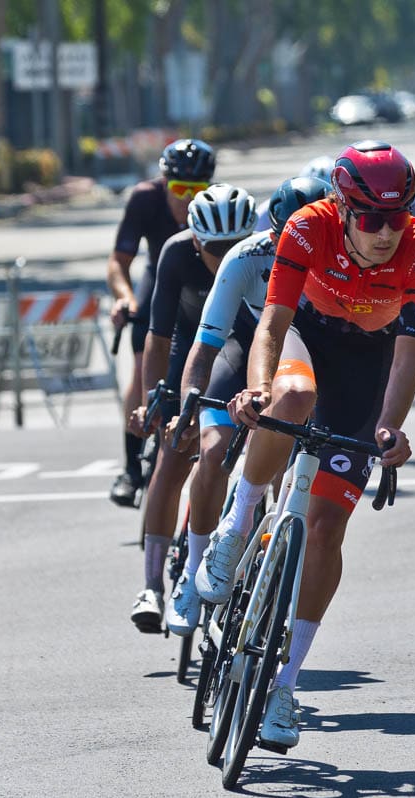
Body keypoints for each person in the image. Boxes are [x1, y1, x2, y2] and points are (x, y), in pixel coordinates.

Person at [196, 141, 415, 749]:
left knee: (328, 528)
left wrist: (390, 427)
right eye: (371, 219)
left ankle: (285, 686)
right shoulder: (308, 229)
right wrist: (256, 391)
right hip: (308, 339)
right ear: (342, 204)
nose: (386, 233)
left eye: (397, 217)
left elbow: (408, 355)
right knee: (293, 401)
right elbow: (273, 324)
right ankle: (236, 526)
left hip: (370, 364)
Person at [163, 176, 331, 636]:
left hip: (305, 361)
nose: (294, 247)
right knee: (215, 452)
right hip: (246, 349)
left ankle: (269, 570)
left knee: (288, 471)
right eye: (283, 238)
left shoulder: (343, 263)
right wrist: (189, 408)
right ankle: (193, 575)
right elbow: (204, 347)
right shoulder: (245, 257)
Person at [127, 183, 258, 633]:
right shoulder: (176, 253)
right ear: (196, 240)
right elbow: (158, 336)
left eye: (235, 247)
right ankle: (151, 586)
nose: (226, 259)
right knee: (171, 456)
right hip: (190, 347)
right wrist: (154, 402)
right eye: (216, 249)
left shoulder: (260, 254)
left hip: (241, 346)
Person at [108, 139, 216, 507]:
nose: (187, 199)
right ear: (164, 181)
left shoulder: (218, 203)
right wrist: (124, 297)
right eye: (179, 189)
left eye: (196, 190)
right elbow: (118, 261)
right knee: (140, 370)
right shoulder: (144, 198)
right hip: (159, 281)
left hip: (201, 286)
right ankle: (130, 468)